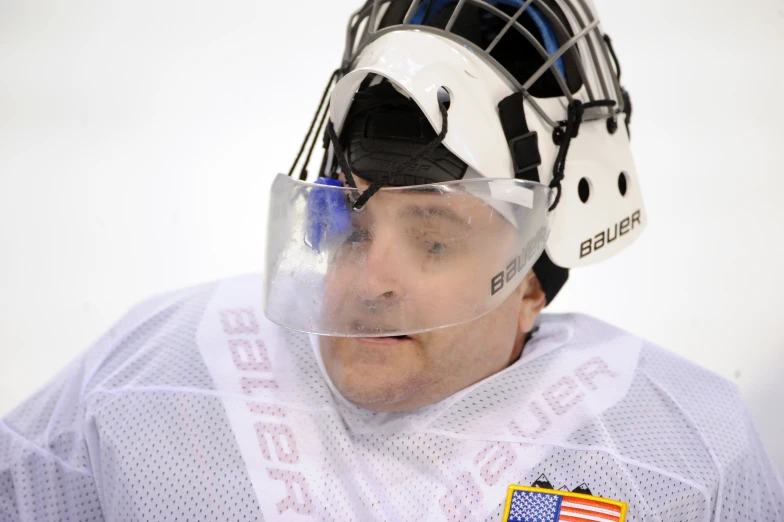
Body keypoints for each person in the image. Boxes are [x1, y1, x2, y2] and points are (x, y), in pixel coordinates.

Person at [1, 0, 782, 520]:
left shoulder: (678, 450)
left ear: (534, 281)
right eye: (348, 222)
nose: (365, 281)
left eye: (435, 239)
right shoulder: (162, 371)